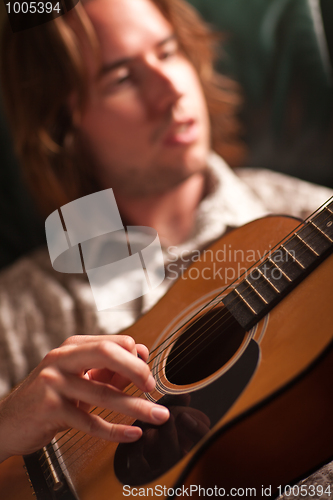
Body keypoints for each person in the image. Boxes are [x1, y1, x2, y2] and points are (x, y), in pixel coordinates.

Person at [0, 0, 332, 490]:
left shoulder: (308, 214)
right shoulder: (19, 309)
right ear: (61, 123)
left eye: (169, 51)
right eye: (121, 78)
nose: (171, 89)